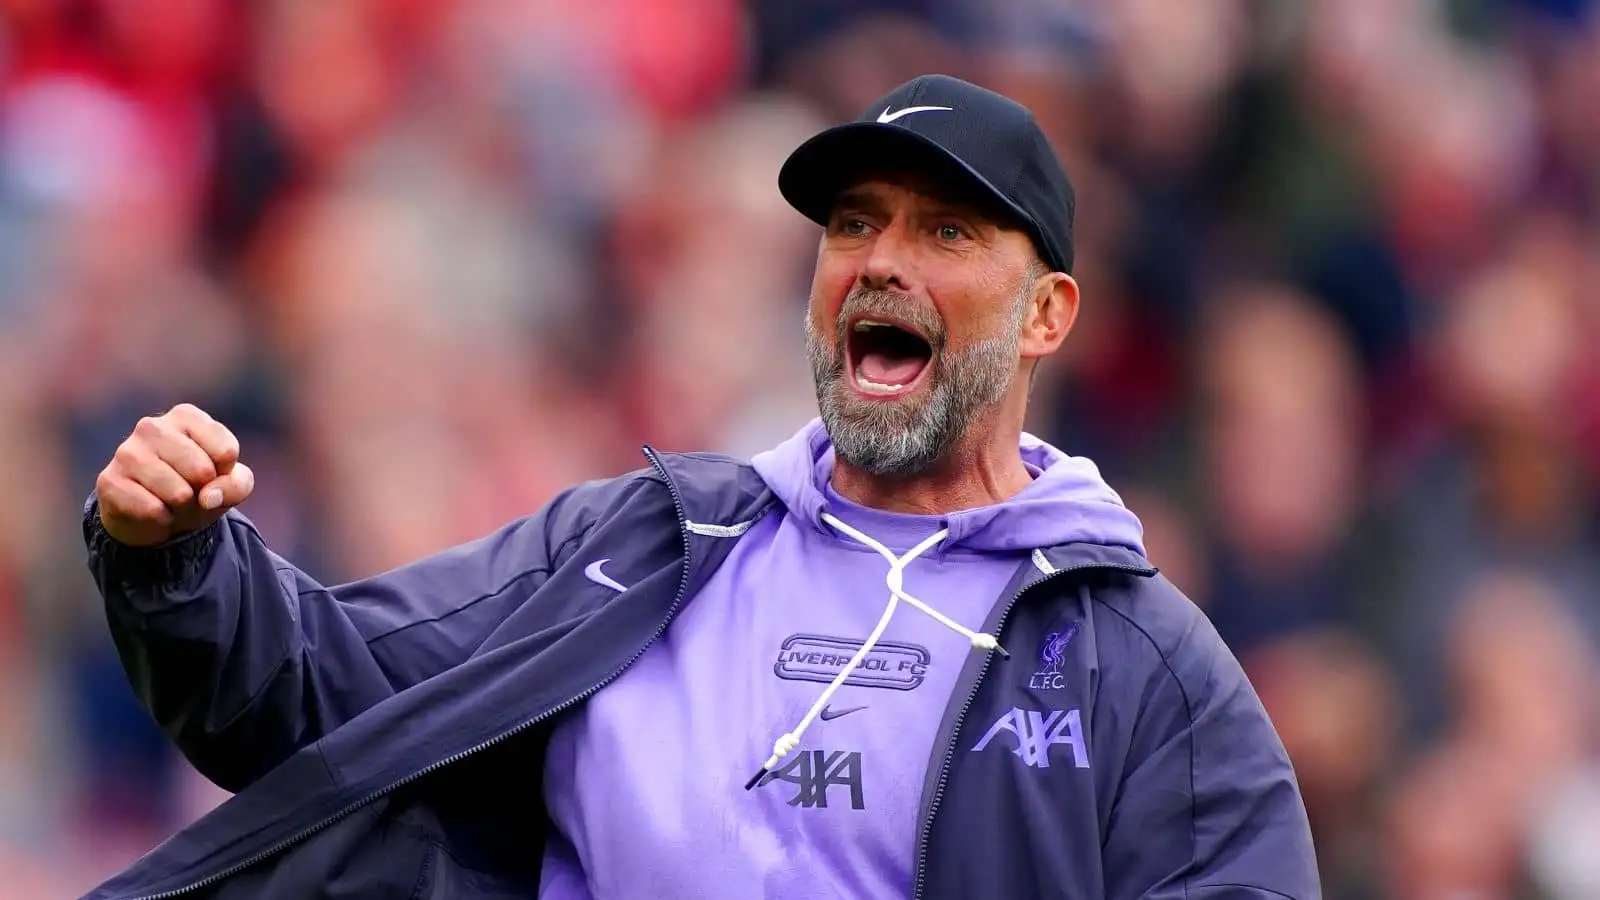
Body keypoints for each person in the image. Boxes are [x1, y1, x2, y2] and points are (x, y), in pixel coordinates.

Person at [81, 75, 1319, 900]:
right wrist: (177, 558)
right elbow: (316, 701)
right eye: (852, 224)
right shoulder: (641, 551)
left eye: (945, 233)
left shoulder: (1145, 667)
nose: (880, 263)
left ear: (1048, 313)